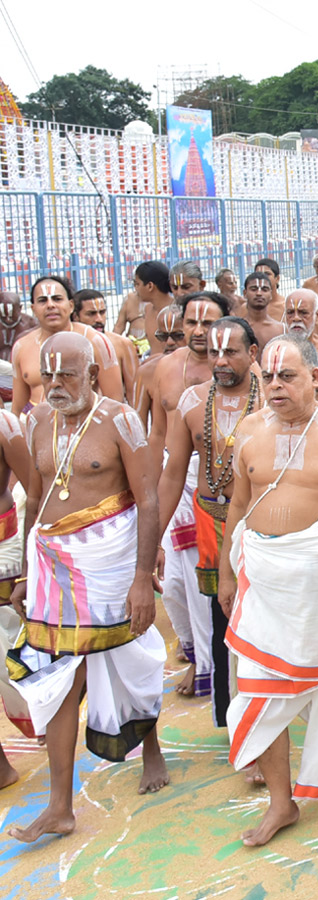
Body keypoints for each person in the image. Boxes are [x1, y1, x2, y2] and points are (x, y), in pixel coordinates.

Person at [217, 334, 318, 845]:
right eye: (267, 377)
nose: (274, 386)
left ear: (314, 376)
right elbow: (239, 508)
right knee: (260, 690)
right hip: (264, 577)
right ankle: (281, 804)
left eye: (286, 376)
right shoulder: (247, 430)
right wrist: (227, 571)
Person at [7, 331, 169, 843]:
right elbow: (35, 500)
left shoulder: (120, 418)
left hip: (110, 560)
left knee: (127, 654)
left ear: (91, 374)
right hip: (53, 562)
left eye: (67, 374)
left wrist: (143, 578)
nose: (55, 384)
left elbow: (148, 500)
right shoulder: (35, 422)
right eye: (47, 374)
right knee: (58, 674)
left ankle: (153, 750)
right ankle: (60, 806)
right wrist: (31, 574)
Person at [158, 316, 261, 725]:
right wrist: (152, 544)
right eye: (214, 351)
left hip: (260, 523)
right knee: (222, 619)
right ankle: (233, 718)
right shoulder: (190, 402)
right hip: (210, 520)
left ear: (252, 353)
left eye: (230, 351)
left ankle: (268, 715)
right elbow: (172, 473)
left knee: (263, 620)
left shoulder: (272, 396)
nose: (220, 359)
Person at [12, 277, 123, 415]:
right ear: (33, 309)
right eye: (42, 300)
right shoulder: (22, 347)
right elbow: (17, 407)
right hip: (36, 428)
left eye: (57, 299)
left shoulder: (95, 341)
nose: (50, 305)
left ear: (71, 305)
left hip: (85, 427)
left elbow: (115, 401)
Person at [148, 293, 231, 459]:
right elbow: (157, 432)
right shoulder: (166, 365)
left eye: (207, 323)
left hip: (225, 469)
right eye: (191, 323)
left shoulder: (242, 368)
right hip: (174, 469)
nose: (198, 331)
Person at [0, 400, 30, 788]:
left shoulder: (5, 426)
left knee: (9, 655)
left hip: (4, 547)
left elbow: (35, 490)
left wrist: (31, 565)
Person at [73, 289, 139, 402]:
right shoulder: (68, 347)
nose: (99, 319)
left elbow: (134, 392)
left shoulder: (122, 344)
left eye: (102, 312)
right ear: (76, 316)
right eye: (91, 314)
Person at [115, 261, 173, 355]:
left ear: (150, 286)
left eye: (137, 284)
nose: (136, 289)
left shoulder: (176, 312)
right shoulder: (148, 309)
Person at [241, 273, 286, 347]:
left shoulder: (283, 330)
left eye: (264, 289)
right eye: (253, 289)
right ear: (245, 293)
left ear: (271, 294)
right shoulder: (238, 329)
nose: (259, 293)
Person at [0, 291, 37, 364]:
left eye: (11, 316)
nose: (8, 319)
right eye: (3, 316)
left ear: (20, 308)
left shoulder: (31, 324)